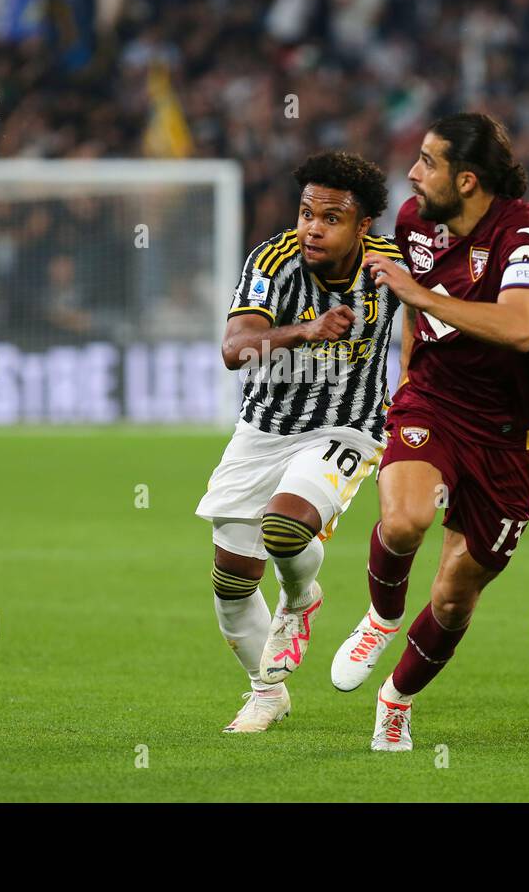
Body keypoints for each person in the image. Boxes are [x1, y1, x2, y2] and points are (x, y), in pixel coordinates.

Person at [329, 113, 529, 751]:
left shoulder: (524, 233)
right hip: (432, 401)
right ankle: (381, 616)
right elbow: (407, 301)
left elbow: (519, 328)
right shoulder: (412, 220)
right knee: (403, 522)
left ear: (468, 179)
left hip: (506, 433)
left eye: (427, 162)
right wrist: (405, 375)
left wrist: (421, 300)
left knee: (455, 595)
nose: (412, 173)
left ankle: (396, 698)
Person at [195, 151, 404, 733]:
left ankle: (299, 595)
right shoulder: (274, 259)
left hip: (348, 427)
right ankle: (267, 691)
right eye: (307, 212)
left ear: (362, 227)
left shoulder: (390, 267)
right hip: (263, 429)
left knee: (285, 527)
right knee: (232, 580)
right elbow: (236, 349)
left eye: (331, 218)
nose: (313, 227)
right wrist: (304, 331)